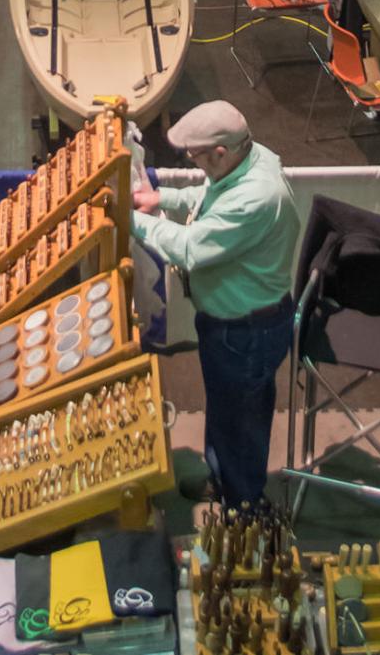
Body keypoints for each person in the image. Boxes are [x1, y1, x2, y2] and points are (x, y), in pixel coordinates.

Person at [130, 99, 298, 506]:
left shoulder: (257, 197)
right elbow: (210, 198)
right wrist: (163, 200)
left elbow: (189, 248)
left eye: (197, 155)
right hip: (230, 323)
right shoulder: (247, 158)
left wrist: (129, 219)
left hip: (246, 332)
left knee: (242, 423)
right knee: (225, 410)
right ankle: (223, 481)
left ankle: (243, 507)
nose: (194, 161)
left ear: (220, 152)